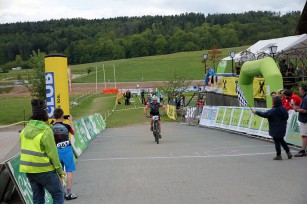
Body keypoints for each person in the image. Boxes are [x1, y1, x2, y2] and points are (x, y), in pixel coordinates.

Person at [19, 99, 65, 204]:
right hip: (44, 170)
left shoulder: (25, 130)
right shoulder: (46, 131)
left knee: (38, 197)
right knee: (58, 194)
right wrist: (60, 172)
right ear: (45, 113)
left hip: (29, 169)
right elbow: (53, 154)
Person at [252, 96, 292, 160]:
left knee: (277, 141)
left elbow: (265, 114)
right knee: (281, 140)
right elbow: (286, 117)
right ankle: (288, 152)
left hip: (275, 127)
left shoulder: (273, 110)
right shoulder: (284, 109)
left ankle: (279, 155)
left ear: (274, 102)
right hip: (282, 127)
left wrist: (256, 112)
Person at [52, 108, 78, 200]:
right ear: (63, 116)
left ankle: (61, 193)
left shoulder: (51, 127)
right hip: (66, 149)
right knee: (69, 170)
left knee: (59, 172)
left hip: (57, 150)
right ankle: (69, 193)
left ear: (54, 116)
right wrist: (71, 121)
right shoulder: (66, 126)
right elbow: (73, 132)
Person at [292, 83, 307, 157]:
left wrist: (296, 109)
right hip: (304, 119)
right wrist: (296, 107)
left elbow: (304, 110)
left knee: (304, 135)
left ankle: (303, 150)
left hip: (305, 120)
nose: (299, 91)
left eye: (300, 90)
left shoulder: (305, 98)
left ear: (303, 90)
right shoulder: (304, 98)